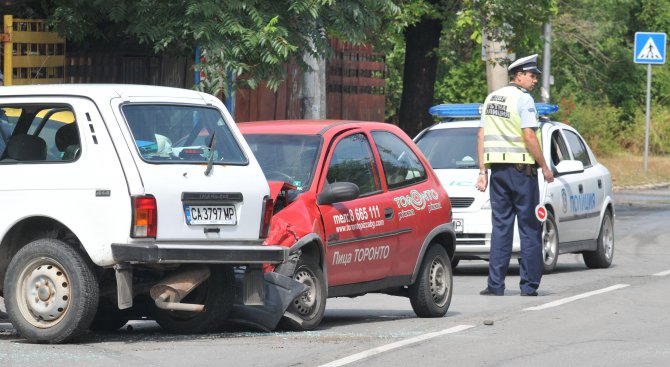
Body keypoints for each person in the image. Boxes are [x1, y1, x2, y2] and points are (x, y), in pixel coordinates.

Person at [476, 54, 555, 297]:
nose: (534, 81)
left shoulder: (491, 98)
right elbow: (529, 136)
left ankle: (495, 285)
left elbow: (480, 136)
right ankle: (529, 286)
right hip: (523, 173)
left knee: (501, 228)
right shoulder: (524, 100)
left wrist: (482, 172)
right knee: (530, 228)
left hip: (498, 173)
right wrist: (544, 166)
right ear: (518, 76)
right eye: (531, 76)